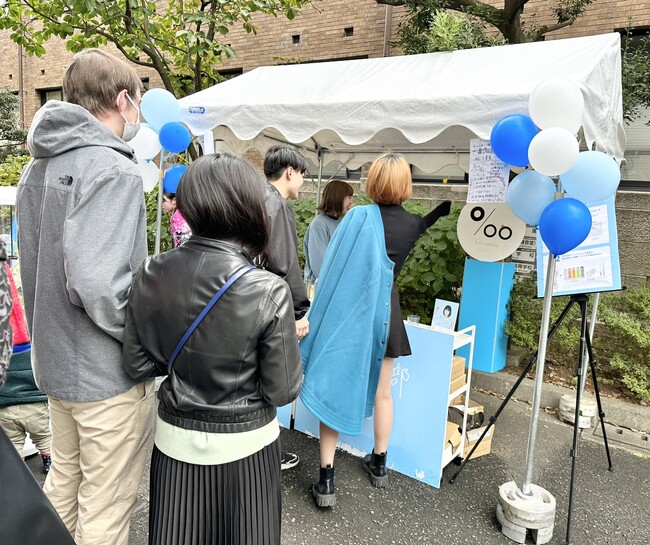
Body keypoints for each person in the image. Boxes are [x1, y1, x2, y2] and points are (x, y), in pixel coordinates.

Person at [123, 153, 302, 545]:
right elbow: (282, 390)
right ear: (247, 204)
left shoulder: (150, 272)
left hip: (174, 443)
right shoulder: (267, 289)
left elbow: (137, 364)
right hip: (247, 449)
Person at [16, 49, 155, 545]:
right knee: (106, 505)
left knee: (63, 487)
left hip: (54, 366)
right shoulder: (113, 169)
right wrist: (144, 339)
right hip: (105, 374)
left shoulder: (36, 168)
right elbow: (98, 283)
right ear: (123, 99)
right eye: (137, 99)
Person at [300, 152, 451, 507]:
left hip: (352, 318)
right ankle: (379, 464)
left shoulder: (357, 218)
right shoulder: (413, 225)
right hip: (388, 318)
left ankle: (326, 479)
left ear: (374, 183)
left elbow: (333, 272)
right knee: (384, 393)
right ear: (406, 186)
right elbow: (424, 223)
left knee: (337, 390)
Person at [262, 144, 310, 471]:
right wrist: (298, 311)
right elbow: (285, 263)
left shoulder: (252, 197)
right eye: (303, 174)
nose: (304, 182)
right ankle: (267, 455)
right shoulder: (278, 206)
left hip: (248, 300)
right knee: (270, 380)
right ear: (290, 171)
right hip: (270, 304)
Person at [0, 265, 52, 474]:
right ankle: (48, 461)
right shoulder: (34, 354)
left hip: (5, 410)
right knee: (44, 438)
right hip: (35, 408)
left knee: (13, 444)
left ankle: (18, 471)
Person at [303, 180, 354, 286]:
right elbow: (320, 268)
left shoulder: (342, 222)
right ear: (338, 197)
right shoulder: (319, 225)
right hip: (321, 289)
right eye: (349, 197)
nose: (351, 202)